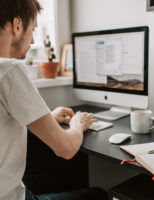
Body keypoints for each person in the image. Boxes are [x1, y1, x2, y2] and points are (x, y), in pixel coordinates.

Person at [0, 0, 108, 200]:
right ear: (16, 26)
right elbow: (66, 149)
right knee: (98, 194)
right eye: (32, 30)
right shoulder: (9, 70)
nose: (32, 41)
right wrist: (77, 125)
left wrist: (47, 117)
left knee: (61, 180)